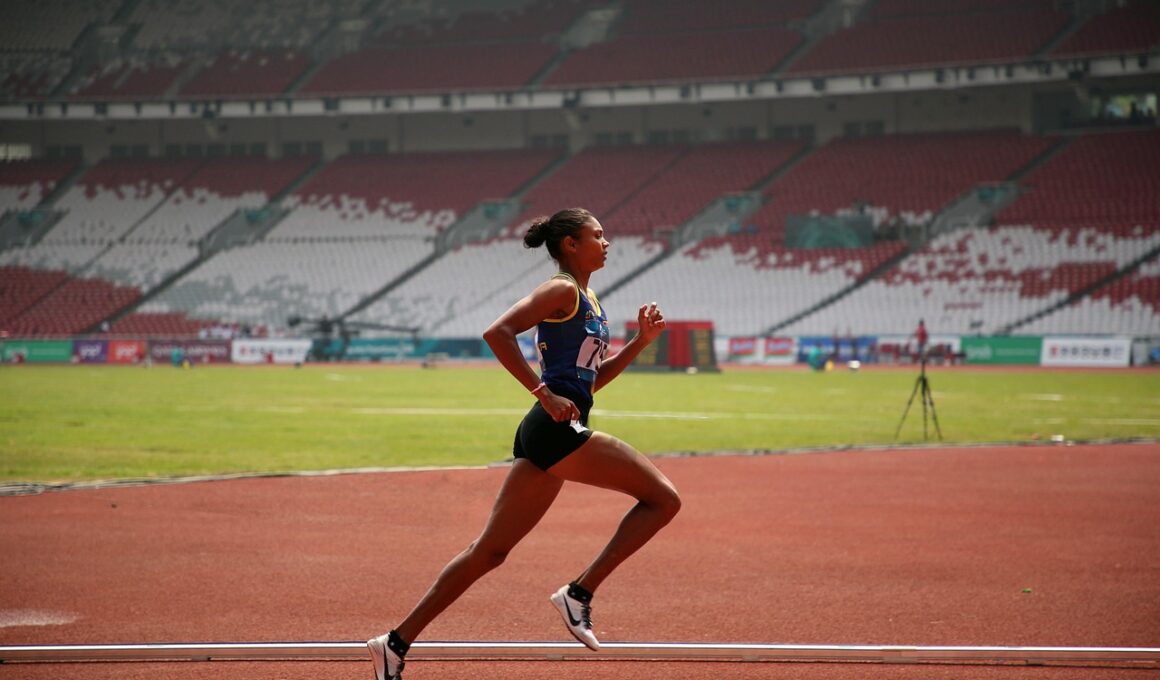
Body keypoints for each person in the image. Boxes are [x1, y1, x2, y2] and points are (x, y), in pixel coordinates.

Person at [367, 207, 681, 680]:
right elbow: (497, 333)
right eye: (597, 235)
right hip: (554, 428)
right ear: (571, 244)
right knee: (663, 500)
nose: (607, 243)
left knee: (489, 552)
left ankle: (393, 644)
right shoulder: (561, 290)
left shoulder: (589, 299)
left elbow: (589, 383)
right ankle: (579, 593)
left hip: (551, 427)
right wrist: (543, 393)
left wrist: (639, 342)